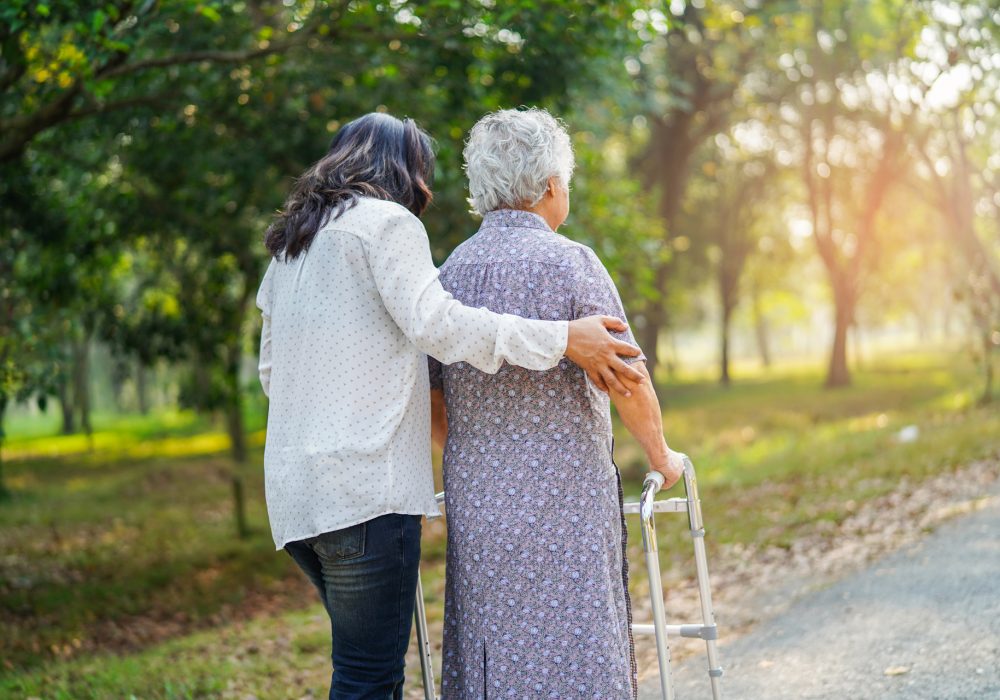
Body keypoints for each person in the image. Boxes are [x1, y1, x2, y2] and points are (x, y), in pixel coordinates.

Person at [255, 112, 646, 699]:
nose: (426, 191)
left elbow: (271, 374)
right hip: (365, 492)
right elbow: (437, 326)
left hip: (294, 498)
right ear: (402, 170)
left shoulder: (291, 248)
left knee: (358, 669)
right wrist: (563, 337)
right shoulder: (386, 224)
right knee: (369, 679)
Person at [428, 108, 686, 698]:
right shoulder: (572, 264)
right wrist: (662, 454)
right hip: (567, 497)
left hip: (480, 502)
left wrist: (478, 454)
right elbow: (630, 380)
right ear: (549, 187)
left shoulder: (446, 278)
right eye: (564, 181)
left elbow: (433, 397)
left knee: (494, 644)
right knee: (579, 643)